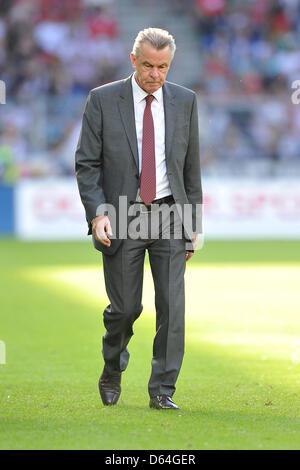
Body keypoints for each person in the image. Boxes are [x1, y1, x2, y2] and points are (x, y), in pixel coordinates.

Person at [75, 27, 202, 410]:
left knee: (172, 306)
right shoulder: (102, 99)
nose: (155, 74)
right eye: (148, 65)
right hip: (121, 215)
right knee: (126, 308)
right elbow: (86, 164)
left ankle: (162, 391)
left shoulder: (185, 100)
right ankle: (112, 364)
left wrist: (193, 224)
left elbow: (190, 168)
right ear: (134, 61)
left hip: (168, 214)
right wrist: (97, 214)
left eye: (163, 67)